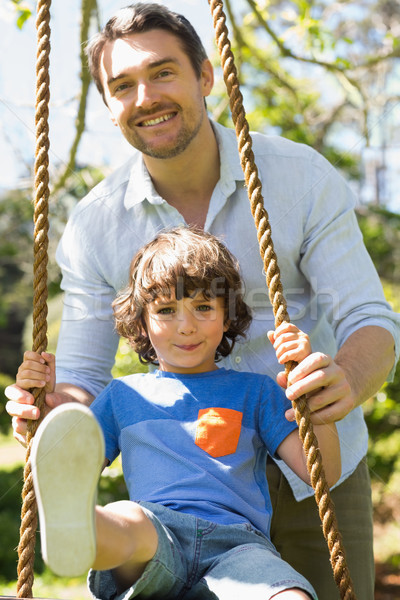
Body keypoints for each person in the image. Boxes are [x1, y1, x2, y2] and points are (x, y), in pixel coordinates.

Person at [5, 3, 400, 598]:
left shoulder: (298, 179)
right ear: (109, 107)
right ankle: (88, 532)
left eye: (163, 72)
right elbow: (84, 377)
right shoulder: (95, 224)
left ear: (206, 77)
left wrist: (341, 380)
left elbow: (371, 320)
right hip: (178, 478)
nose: (146, 96)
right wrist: (53, 414)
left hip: (310, 454)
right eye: (122, 85)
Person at [16, 226, 340, 600]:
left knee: (289, 595)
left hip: (237, 546)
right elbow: (70, 465)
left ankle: (91, 527)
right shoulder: (122, 396)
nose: (186, 326)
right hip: (156, 536)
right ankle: (82, 527)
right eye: (166, 310)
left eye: (203, 307)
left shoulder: (257, 392)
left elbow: (323, 474)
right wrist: (39, 423)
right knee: (130, 519)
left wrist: (314, 401)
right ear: (141, 322)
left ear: (227, 315)